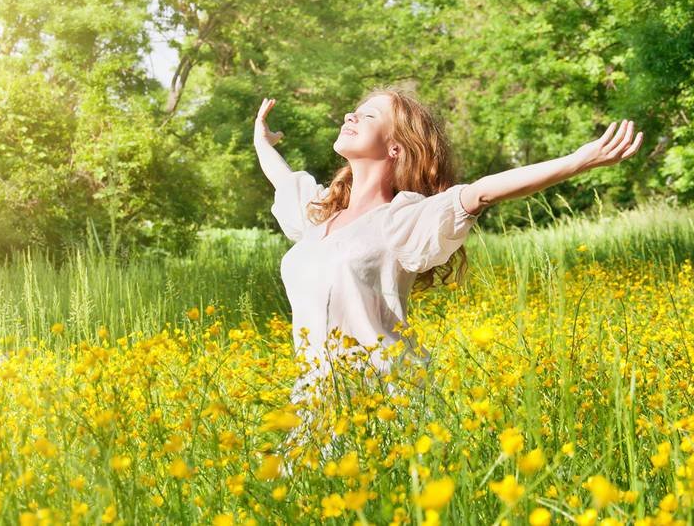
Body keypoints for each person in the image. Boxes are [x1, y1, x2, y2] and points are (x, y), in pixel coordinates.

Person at [254, 85, 644, 459]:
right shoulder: (320, 214)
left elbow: (482, 191)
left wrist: (577, 161)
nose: (350, 116)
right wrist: (262, 141)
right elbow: (284, 180)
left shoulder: (402, 218)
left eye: (368, 116)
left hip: (382, 396)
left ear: (395, 147)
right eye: (354, 112)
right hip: (315, 398)